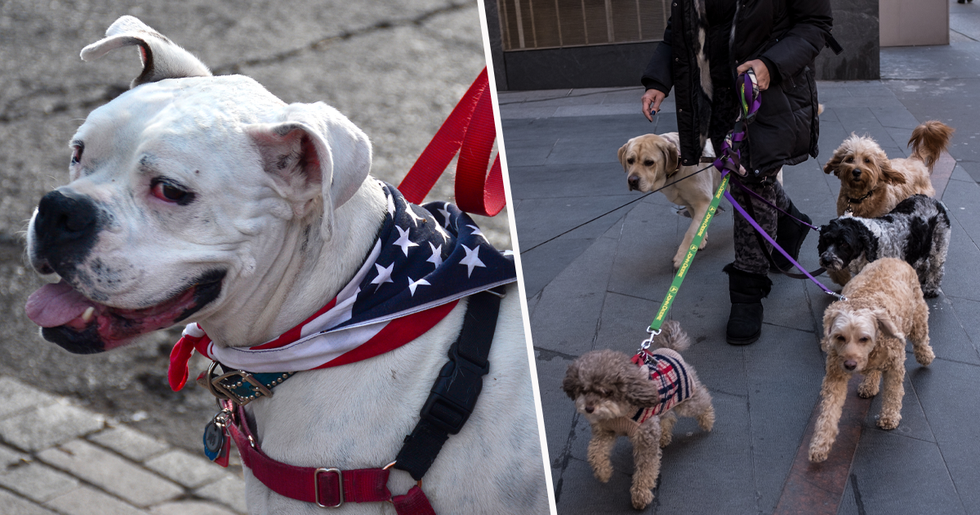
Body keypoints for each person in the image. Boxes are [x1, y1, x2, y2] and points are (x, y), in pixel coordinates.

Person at [640, 1, 834, 345]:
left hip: (771, 93)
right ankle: (789, 223)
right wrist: (659, 78)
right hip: (713, 99)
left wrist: (770, 64)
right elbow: (679, 30)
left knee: (751, 180)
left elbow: (815, 23)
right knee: (743, 176)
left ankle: (747, 292)